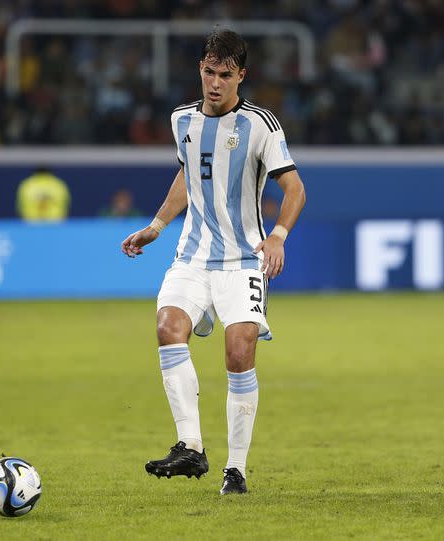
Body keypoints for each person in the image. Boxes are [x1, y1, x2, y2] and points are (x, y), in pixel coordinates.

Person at [121, 29, 306, 495]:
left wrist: (278, 236)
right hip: (193, 256)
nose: (215, 83)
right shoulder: (181, 119)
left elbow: (295, 189)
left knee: (239, 351)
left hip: (244, 258)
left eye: (225, 74)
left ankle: (236, 469)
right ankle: (190, 447)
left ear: (241, 75)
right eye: (209, 72)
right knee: (167, 325)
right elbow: (188, 174)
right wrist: (157, 226)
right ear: (200, 70)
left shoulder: (261, 125)